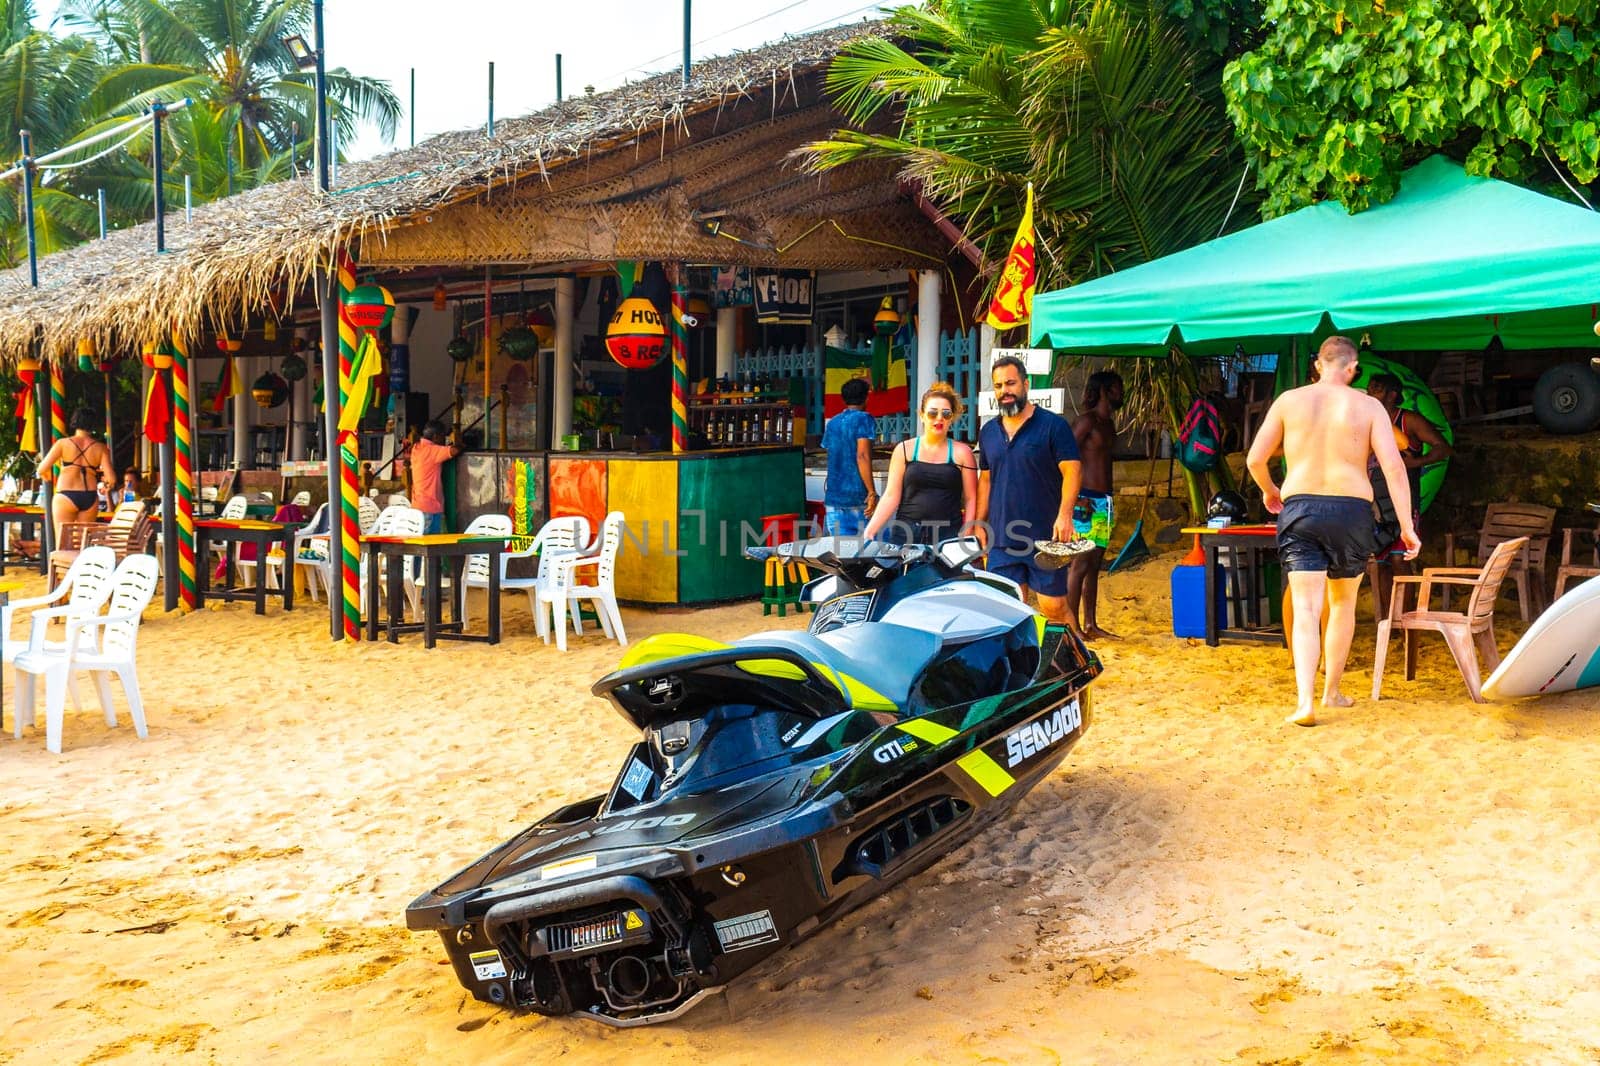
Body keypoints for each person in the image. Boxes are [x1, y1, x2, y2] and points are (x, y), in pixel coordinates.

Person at [1247, 336, 1419, 727]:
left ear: (1319, 365)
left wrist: (1271, 492)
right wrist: (1406, 527)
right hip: (1351, 510)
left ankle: (1305, 701)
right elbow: (1394, 469)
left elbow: (1256, 458)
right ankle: (1332, 692)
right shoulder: (1369, 406)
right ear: (1352, 369)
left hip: (1301, 508)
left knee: (1306, 607)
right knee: (1342, 603)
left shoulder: (1289, 400)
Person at [976, 356, 1083, 629]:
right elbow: (986, 481)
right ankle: (1022, 670)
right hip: (1003, 537)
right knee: (1007, 610)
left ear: (1026, 384)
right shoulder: (988, 432)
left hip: (1046, 536)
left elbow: (1073, 471)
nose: (1005, 391)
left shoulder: (1053, 426)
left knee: (1054, 607)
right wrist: (978, 522)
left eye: (1010, 383)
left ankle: (1076, 664)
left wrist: (1065, 516)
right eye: (998, 386)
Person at [1365, 371, 1453, 614]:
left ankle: (1406, 619)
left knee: (1398, 560)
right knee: (1381, 563)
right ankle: (1388, 621)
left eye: (1378, 388)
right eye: (1371, 387)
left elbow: (1443, 448)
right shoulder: (1366, 420)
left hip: (1403, 504)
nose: (1371, 392)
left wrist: (1416, 462)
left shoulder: (1409, 421)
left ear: (1393, 395)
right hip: (1376, 508)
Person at [864, 382, 977, 544]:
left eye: (946, 414)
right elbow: (891, 495)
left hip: (948, 535)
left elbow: (971, 498)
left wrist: (965, 536)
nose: (939, 418)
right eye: (932, 413)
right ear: (922, 415)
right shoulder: (904, 449)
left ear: (951, 418)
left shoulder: (963, 453)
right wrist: (870, 531)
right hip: (906, 533)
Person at [1068, 370, 1124, 640]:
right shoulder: (1086, 422)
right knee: (1079, 564)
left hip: (1105, 502)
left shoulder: (1108, 423)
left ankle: (1090, 623)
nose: (1120, 393)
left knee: (1094, 565)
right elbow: (1062, 459)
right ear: (1104, 389)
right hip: (1086, 500)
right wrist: (1075, 497)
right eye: (1116, 387)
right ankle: (1072, 626)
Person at [35, 406, 117, 547]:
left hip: (65, 495)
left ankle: (62, 569)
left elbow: (41, 468)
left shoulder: (62, 444)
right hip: (89, 496)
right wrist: (106, 485)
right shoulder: (101, 448)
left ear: (75, 421)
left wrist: (48, 476)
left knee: (62, 543)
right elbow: (112, 479)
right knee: (82, 544)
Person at [821, 377, 877, 536]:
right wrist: (872, 492)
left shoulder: (833, 423)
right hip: (858, 498)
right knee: (866, 553)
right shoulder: (864, 419)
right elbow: (862, 456)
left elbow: (831, 454)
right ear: (866, 397)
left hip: (833, 499)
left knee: (842, 556)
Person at [408, 420, 461, 534]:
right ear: (436, 436)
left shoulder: (416, 447)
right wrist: (457, 441)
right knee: (431, 546)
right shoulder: (433, 450)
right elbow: (455, 450)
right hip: (430, 507)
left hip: (417, 504)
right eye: (443, 436)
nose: (444, 440)